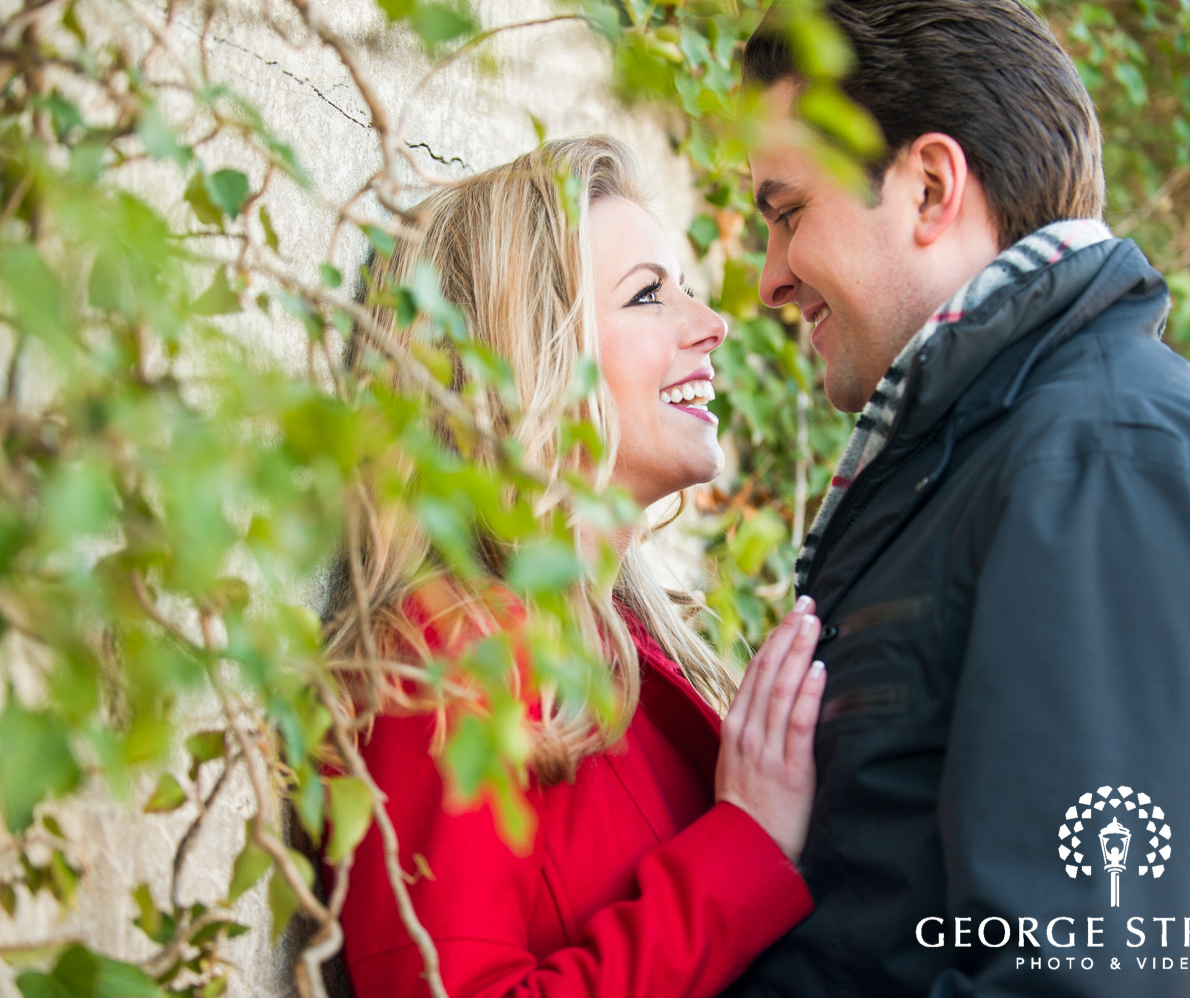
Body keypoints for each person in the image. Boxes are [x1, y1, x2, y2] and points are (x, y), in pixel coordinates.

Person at [727, 2, 1190, 997]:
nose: (769, 278)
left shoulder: (1116, 468)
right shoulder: (979, 460)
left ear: (929, 187)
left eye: (788, 213)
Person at [319, 135, 826, 998]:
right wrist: (745, 843)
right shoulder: (443, 664)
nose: (712, 324)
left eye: (688, 291)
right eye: (648, 297)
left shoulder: (623, 643)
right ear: (528, 361)